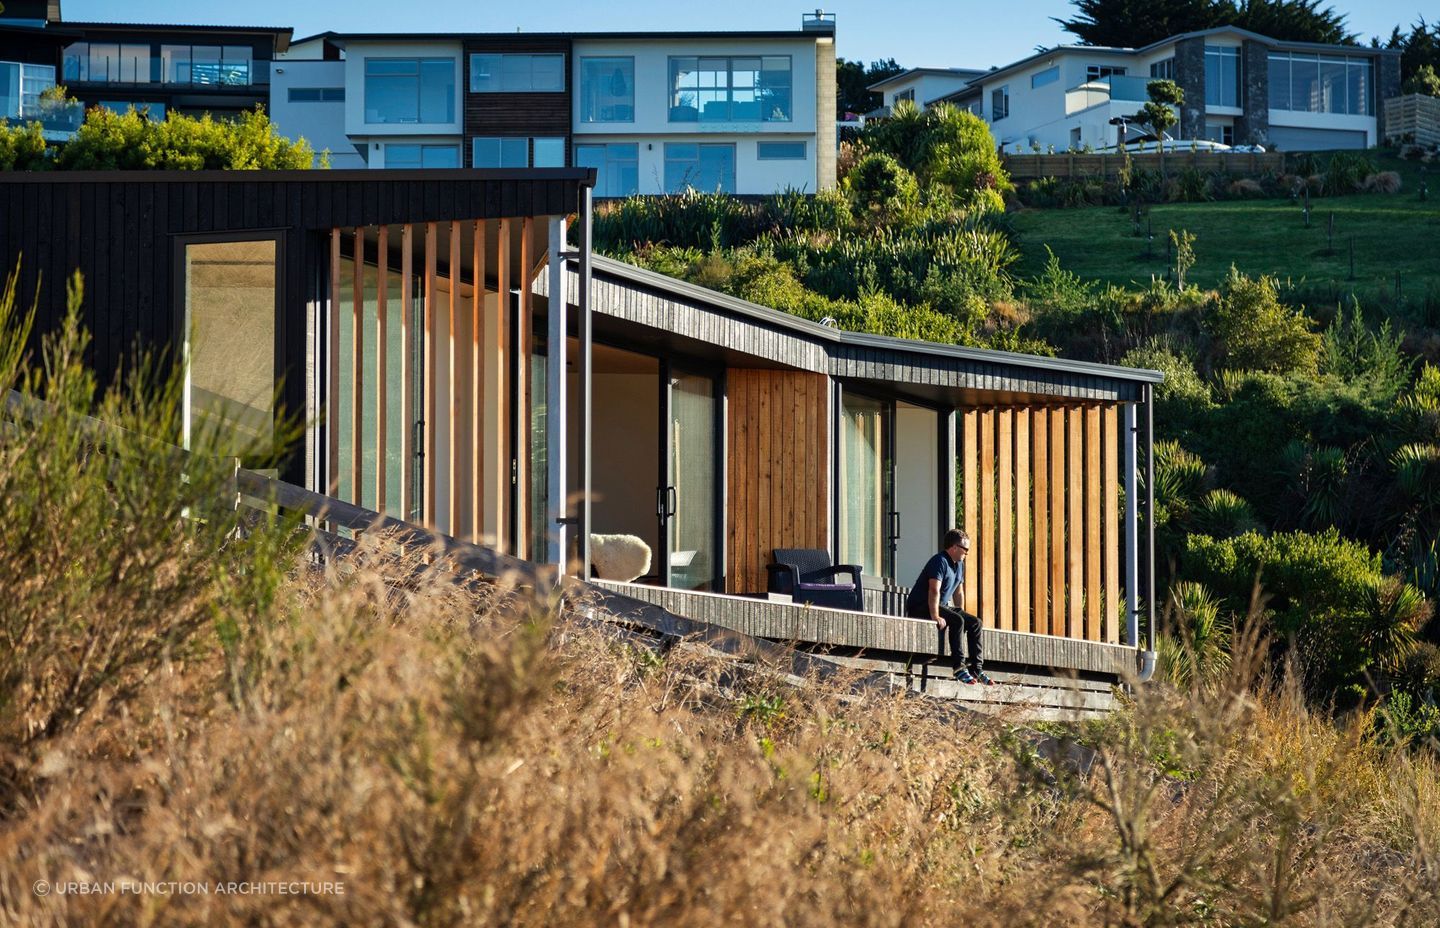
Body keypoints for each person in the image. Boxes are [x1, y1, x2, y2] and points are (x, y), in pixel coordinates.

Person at [903, 529, 994, 686]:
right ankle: (959, 667)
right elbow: (934, 590)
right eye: (965, 549)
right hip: (921, 605)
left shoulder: (959, 565)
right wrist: (935, 616)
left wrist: (961, 612)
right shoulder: (939, 561)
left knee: (975, 622)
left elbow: (958, 592)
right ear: (954, 547)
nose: (967, 553)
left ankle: (976, 669)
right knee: (957, 621)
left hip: (940, 605)